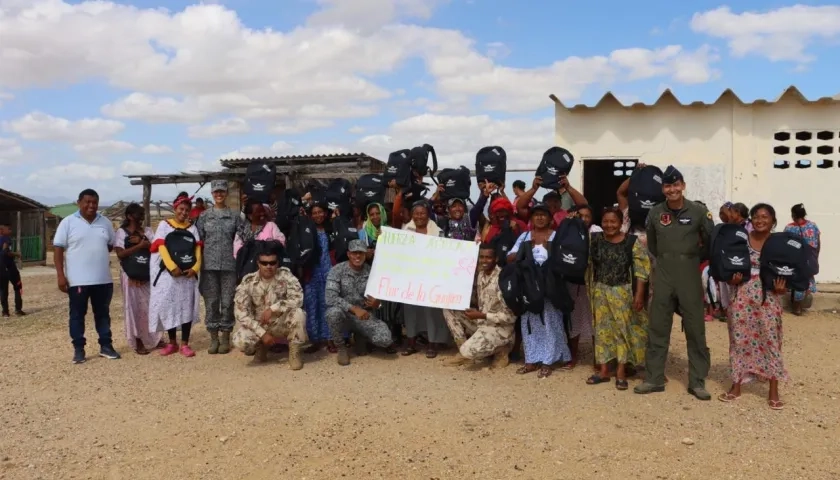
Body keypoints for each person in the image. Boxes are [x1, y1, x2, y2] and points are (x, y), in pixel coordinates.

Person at [634, 166, 714, 400]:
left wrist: (691, 259)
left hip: (689, 274)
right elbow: (654, 246)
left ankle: (697, 381)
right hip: (664, 275)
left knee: (695, 329)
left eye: (676, 185)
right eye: (668, 186)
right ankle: (654, 378)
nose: (672, 189)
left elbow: (709, 241)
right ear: (663, 188)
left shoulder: (699, 211)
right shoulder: (656, 213)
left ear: (683, 185)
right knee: (657, 327)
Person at [719, 203, 789, 410]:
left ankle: (773, 390)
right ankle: (736, 385)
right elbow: (731, 265)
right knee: (739, 339)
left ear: (773, 220)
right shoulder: (742, 241)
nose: (760, 220)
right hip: (741, 297)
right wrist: (732, 279)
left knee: (771, 340)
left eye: (765, 217)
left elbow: (787, 273)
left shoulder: (779, 244)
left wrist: (782, 288)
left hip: (768, 298)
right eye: (756, 216)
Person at [585, 208, 650, 390]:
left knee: (622, 330)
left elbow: (641, 270)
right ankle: (604, 370)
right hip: (600, 291)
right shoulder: (595, 240)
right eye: (605, 221)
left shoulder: (632, 242)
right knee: (602, 330)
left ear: (621, 223)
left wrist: (638, 294)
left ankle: (621, 371)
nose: (609, 225)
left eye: (613, 221)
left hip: (623, 292)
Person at [53, 189, 120, 364]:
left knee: (103, 314)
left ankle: (106, 346)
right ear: (79, 202)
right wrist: (61, 275)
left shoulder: (105, 222)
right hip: (77, 281)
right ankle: (79, 349)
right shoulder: (68, 223)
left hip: (103, 280)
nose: (91, 206)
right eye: (87, 202)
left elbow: (110, 245)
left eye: (94, 202)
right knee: (77, 315)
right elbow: (58, 249)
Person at [507, 202, 572, 378]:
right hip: (528, 287)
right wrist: (525, 248)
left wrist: (547, 249)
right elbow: (510, 257)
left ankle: (548, 361)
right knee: (529, 322)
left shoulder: (556, 236)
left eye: (544, 215)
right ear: (531, 219)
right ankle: (531, 359)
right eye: (536, 215)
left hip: (550, 286)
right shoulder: (525, 237)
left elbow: (566, 259)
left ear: (551, 219)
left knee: (551, 321)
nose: (540, 218)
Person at [232, 241, 306, 369]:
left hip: (280, 322)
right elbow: (240, 312)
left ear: (277, 263)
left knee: (299, 314)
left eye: (272, 263)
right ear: (258, 263)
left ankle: (294, 352)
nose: (268, 266)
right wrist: (262, 333)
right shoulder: (248, 281)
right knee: (240, 340)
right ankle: (261, 348)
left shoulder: (286, 276)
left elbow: (298, 299)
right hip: (260, 324)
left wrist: (274, 308)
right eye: (264, 263)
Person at [443, 243, 516, 368]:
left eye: (488, 257)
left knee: (468, 350)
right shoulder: (481, 274)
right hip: (483, 323)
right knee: (449, 308)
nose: (484, 261)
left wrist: (482, 315)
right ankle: (463, 351)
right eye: (481, 257)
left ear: (496, 259)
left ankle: (502, 350)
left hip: (501, 330)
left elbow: (510, 317)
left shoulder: (502, 279)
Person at [325, 239, 396, 365]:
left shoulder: (371, 272)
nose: (357, 256)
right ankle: (341, 348)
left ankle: (360, 336)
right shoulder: (337, 270)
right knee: (332, 313)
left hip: (364, 316)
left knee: (385, 339)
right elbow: (330, 297)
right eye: (354, 253)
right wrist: (353, 309)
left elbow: (380, 300)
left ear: (365, 255)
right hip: (344, 315)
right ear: (348, 254)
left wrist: (377, 303)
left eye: (361, 253)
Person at [149, 192, 203, 358]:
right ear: (175, 208)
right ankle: (172, 342)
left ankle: (185, 343)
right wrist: (172, 267)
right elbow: (161, 247)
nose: (184, 212)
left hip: (187, 275)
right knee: (169, 306)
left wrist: (195, 268)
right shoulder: (165, 226)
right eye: (181, 209)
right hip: (169, 274)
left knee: (186, 307)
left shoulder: (192, 228)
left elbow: (198, 249)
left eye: (187, 210)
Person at [401, 200, 452, 357]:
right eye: (416, 213)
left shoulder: (438, 232)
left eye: (422, 213)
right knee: (410, 310)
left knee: (431, 311)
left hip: (431, 278)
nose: (419, 216)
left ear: (428, 214)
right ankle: (411, 343)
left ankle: (432, 343)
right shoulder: (405, 231)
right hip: (411, 277)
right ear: (412, 215)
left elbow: (446, 254)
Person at [197, 180, 241, 355]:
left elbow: (241, 239)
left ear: (226, 193)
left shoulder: (235, 216)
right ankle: (213, 337)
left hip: (229, 265)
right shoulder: (204, 216)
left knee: (228, 301)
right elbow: (198, 241)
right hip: (209, 266)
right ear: (212, 194)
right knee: (212, 301)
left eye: (222, 192)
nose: (219, 195)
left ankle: (225, 337)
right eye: (216, 192)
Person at [114, 203, 161, 355]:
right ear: (129, 216)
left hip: (147, 276)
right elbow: (120, 254)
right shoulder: (121, 233)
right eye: (137, 215)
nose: (140, 218)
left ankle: (155, 338)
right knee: (134, 309)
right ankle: (138, 340)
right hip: (130, 276)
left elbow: (157, 248)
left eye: (142, 215)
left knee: (150, 307)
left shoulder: (147, 231)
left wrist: (144, 242)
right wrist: (140, 245)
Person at [303, 200, 333, 353]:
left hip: (328, 271)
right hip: (312, 272)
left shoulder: (331, 229)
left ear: (326, 213)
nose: (318, 215)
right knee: (312, 305)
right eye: (314, 213)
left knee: (328, 304)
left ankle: (331, 338)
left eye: (320, 212)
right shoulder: (306, 230)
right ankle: (315, 340)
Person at [784, 203, 820, 315]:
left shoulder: (789, 228)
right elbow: (818, 243)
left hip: (796, 258)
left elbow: (785, 244)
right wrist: (815, 256)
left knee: (797, 280)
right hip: (810, 258)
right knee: (808, 277)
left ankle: (797, 307)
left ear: (793, 214)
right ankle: (803, 300)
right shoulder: (813, 226)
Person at [0, 223, 24, 317]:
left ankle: (5, 312)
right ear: (1, 230)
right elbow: (6, 252)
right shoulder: (6, 239)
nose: (10, 231)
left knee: (2, 290)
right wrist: (17, 254)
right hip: (9, 267)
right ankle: (18, 310)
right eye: (8, 229)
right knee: (18, 286)